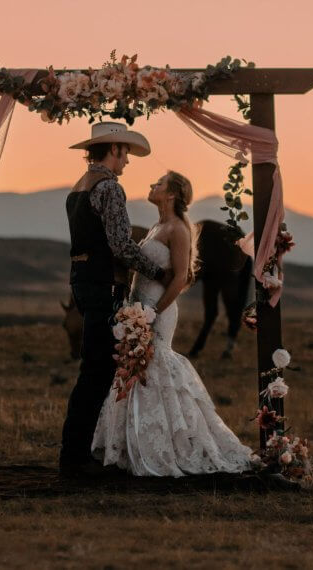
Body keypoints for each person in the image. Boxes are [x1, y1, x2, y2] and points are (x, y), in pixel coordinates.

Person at [91, 171, 252, 477]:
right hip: (139, 306)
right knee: (136, 370)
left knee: (156, 367)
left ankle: (170, 445)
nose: (152, 184)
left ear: (172, 195)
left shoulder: (178, 228)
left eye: (159, 183)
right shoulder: (157, 226)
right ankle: (133, 444)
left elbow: (179, 277)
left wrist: (153, 312)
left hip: (158, 310)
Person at [59, 122, 171, 476]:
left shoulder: (78, 187)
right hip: (103, 283)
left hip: (82, 279)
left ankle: (75, 453)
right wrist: (157, 272)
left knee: (92, 368)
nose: (128, 162)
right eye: (125, 154)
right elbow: (121, 244)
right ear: (115, 150)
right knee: (96, 371)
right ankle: (74, 457)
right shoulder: (109, 187)